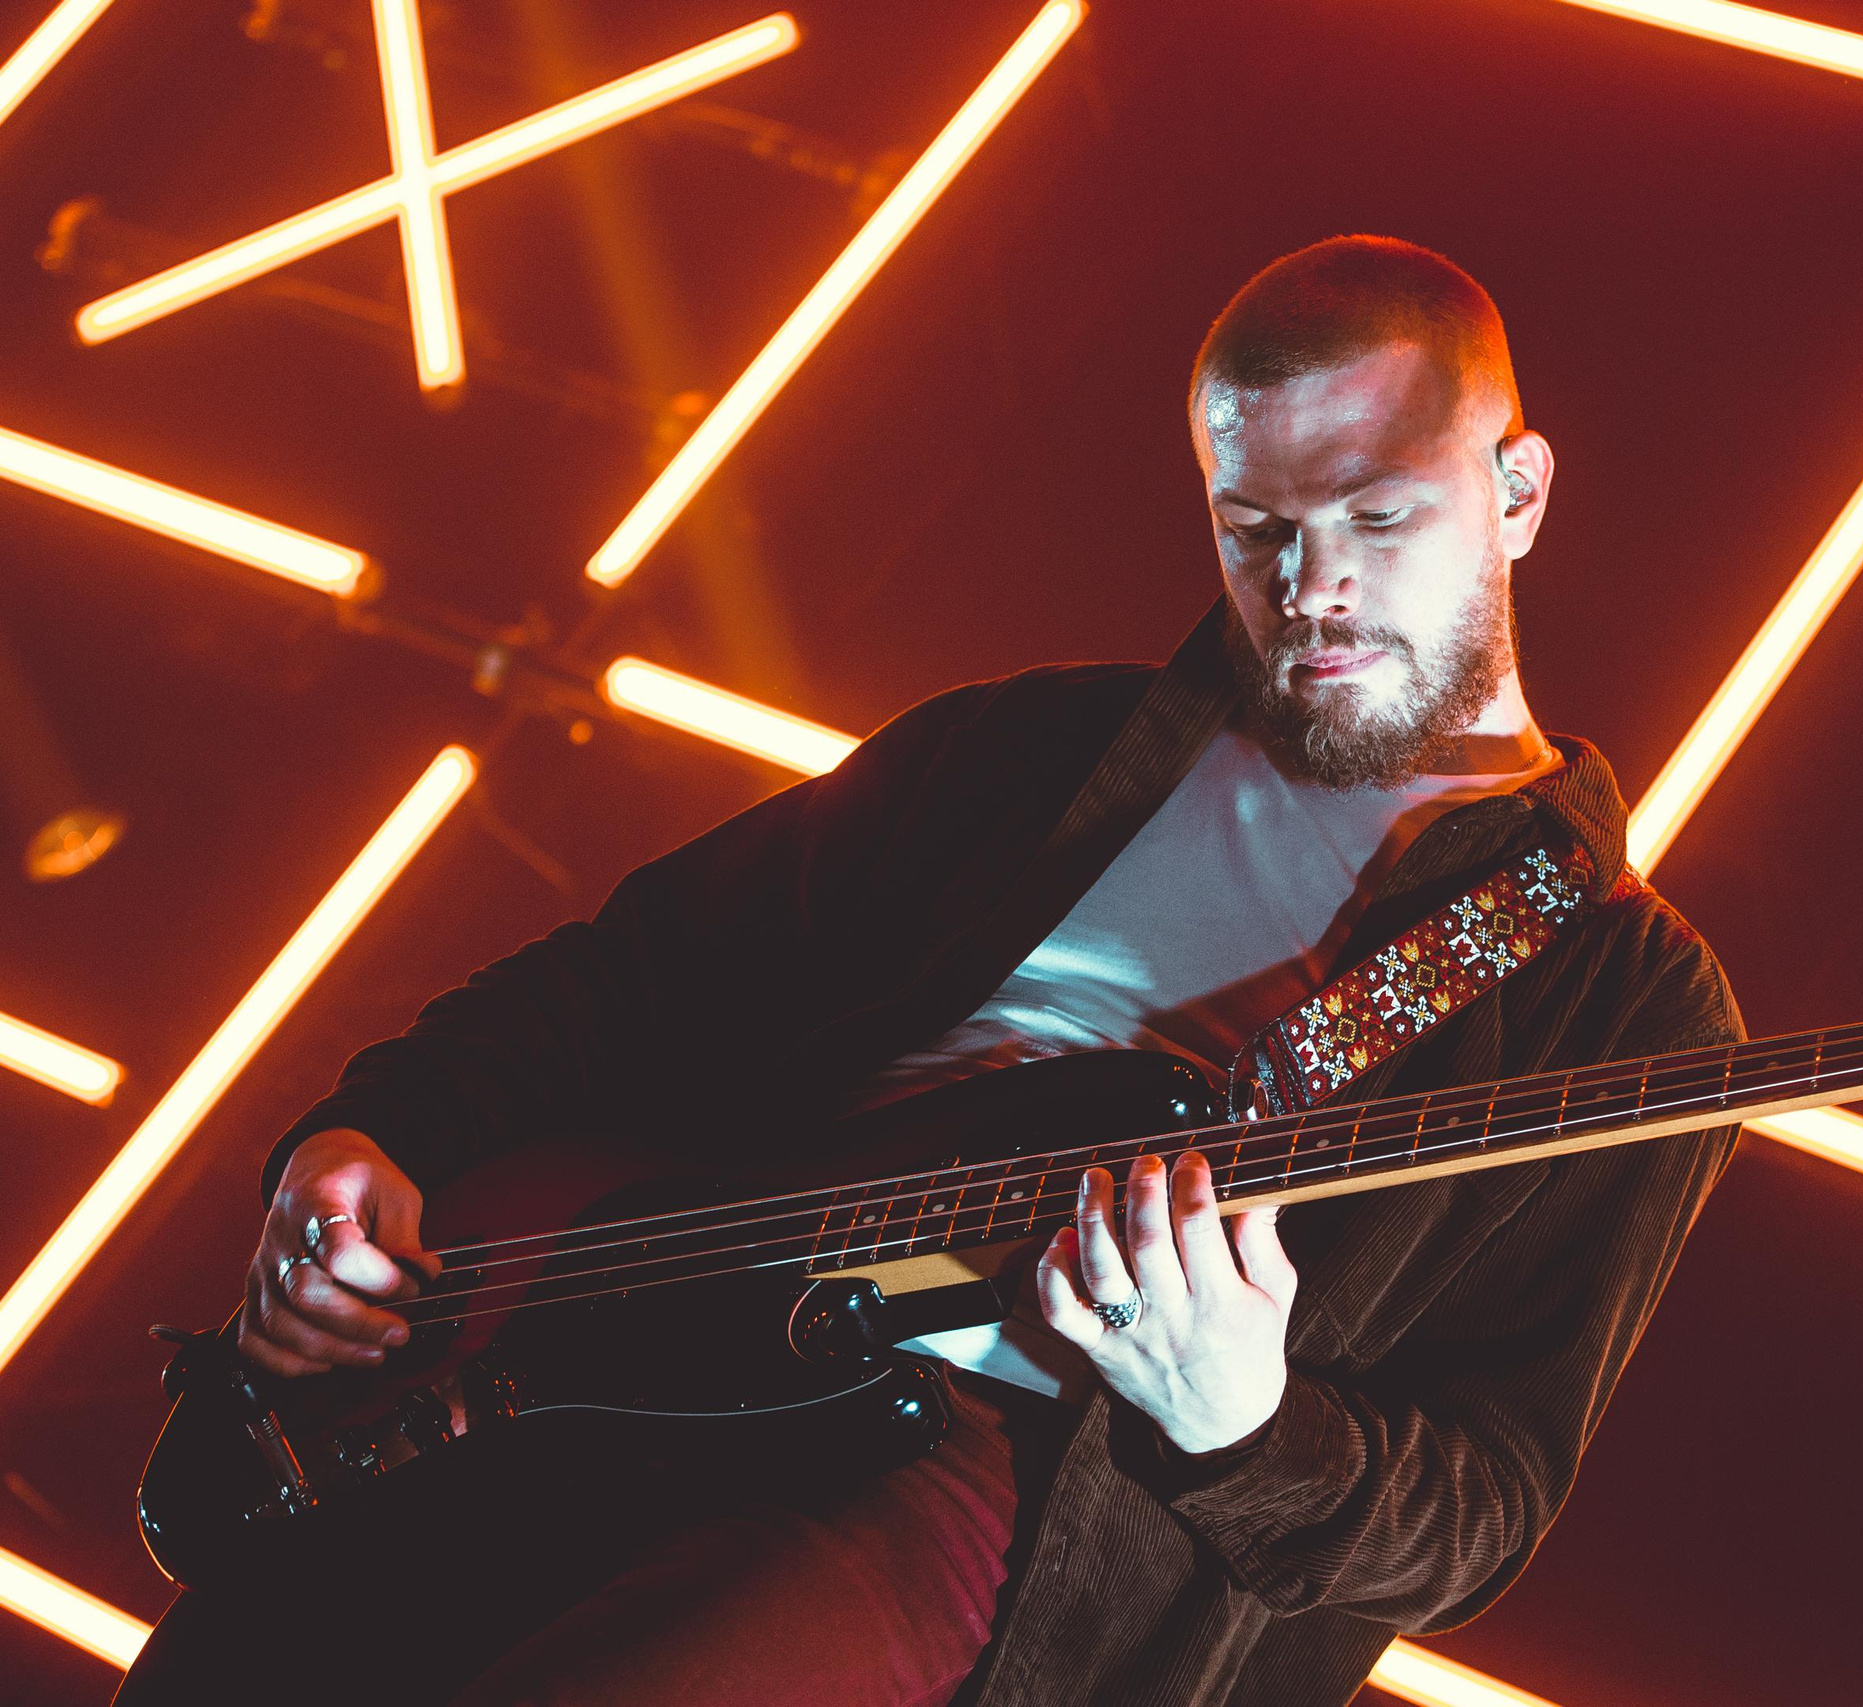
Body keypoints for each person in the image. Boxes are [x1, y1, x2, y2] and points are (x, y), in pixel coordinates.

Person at [116, 235, 1744, 1706]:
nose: (1311, 588)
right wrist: (369, 1141)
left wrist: (1245, 1418)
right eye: (1257, 529)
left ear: (1518, 491)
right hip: (621, 1323)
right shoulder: (1027, 748)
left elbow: (1480, 1509)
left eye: (1380, 519)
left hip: (987, 1477)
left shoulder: (1623, 1002)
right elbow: (627, 981)